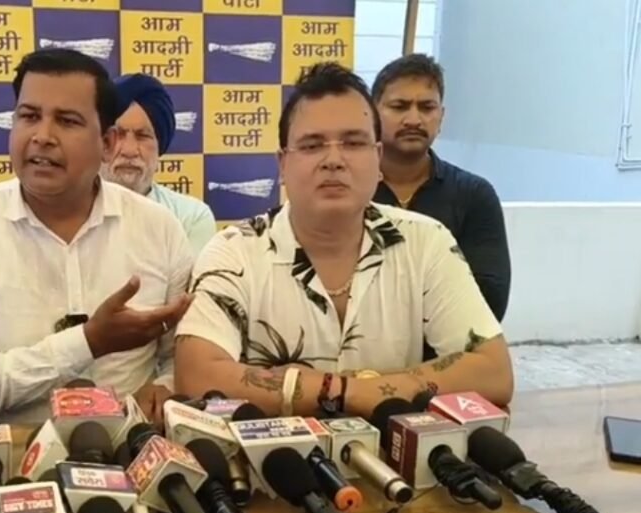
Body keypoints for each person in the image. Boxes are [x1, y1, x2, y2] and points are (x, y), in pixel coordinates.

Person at [174, 63, 514, 421]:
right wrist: (362, 392)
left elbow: (494, 372)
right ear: (282, 164)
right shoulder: (234, 251)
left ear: (378, 158)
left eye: (353, 143)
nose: (333, 160)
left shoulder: (426, 242)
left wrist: (344, 390)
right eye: (312, 145)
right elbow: (196, 378)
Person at [0, 49, 194, 425]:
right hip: (12, 450)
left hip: (133, 446)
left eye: (67, 121)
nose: (42, 136)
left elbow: (178, 359)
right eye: (29, 116)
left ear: (107, 143)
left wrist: (166, 385)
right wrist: (88, 342)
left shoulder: (161, 229)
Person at [371, 54, 511, 321]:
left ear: (441, 116)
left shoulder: (474, 196)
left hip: (449, 346)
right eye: (399, 106)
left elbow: (489, 300)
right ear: (373, 114)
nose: (414, 119)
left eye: (427, 107)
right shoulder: (349, 193)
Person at [101, 73, 217, 255]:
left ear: (160, 147)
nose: (129, 150)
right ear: (102, 142)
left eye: (142, 136)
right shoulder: (68, 213)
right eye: (119, 135)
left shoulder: (190, 217)